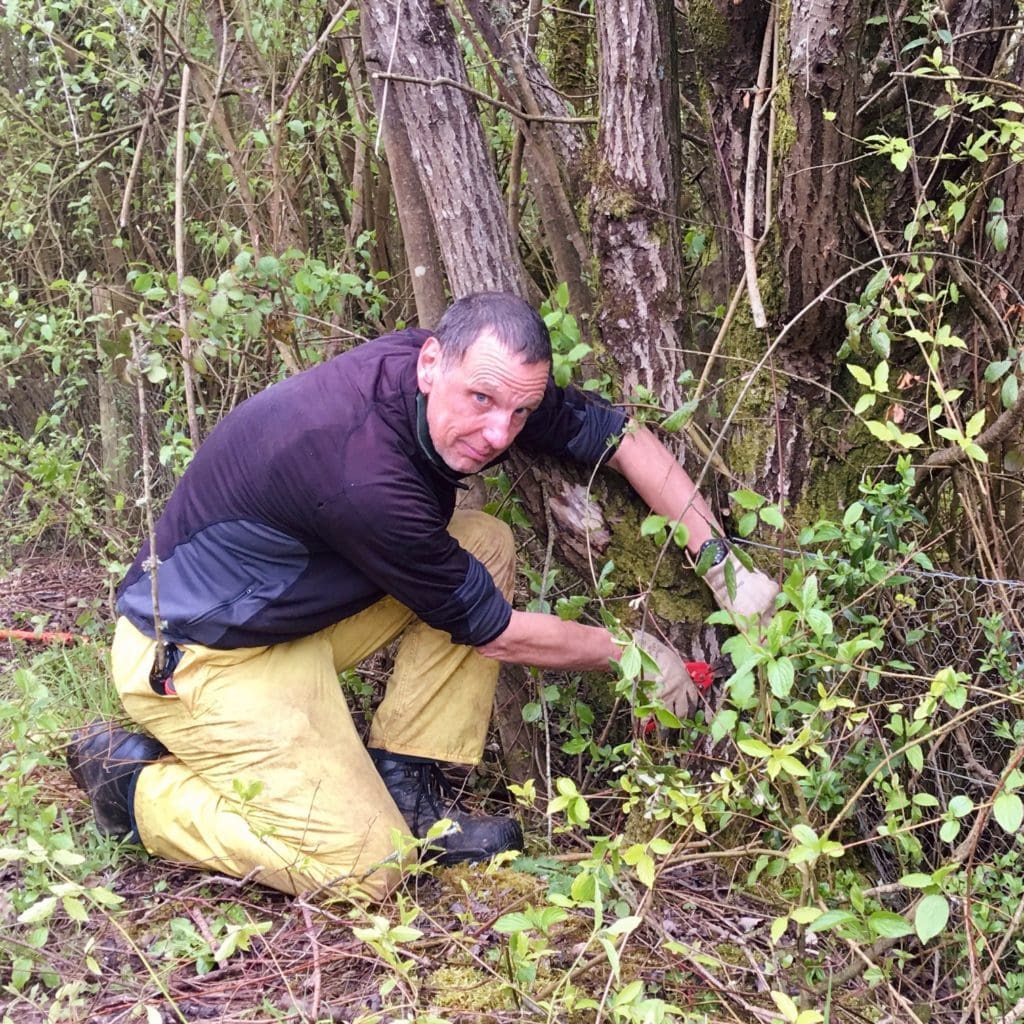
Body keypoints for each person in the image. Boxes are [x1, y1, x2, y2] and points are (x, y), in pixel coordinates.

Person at [68, 292, 777, 901]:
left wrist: (725, 567)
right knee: (364, 867)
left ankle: (408, 786)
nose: (499, 433)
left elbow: (619, 437)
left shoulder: (479, 374)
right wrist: (630, 657)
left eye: (519, 411)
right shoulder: (363, 474)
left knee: (484, 542)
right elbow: (493, 630)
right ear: (432, 363)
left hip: (286, 617)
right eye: (481, 402)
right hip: (197, 658)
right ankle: (132, 785)